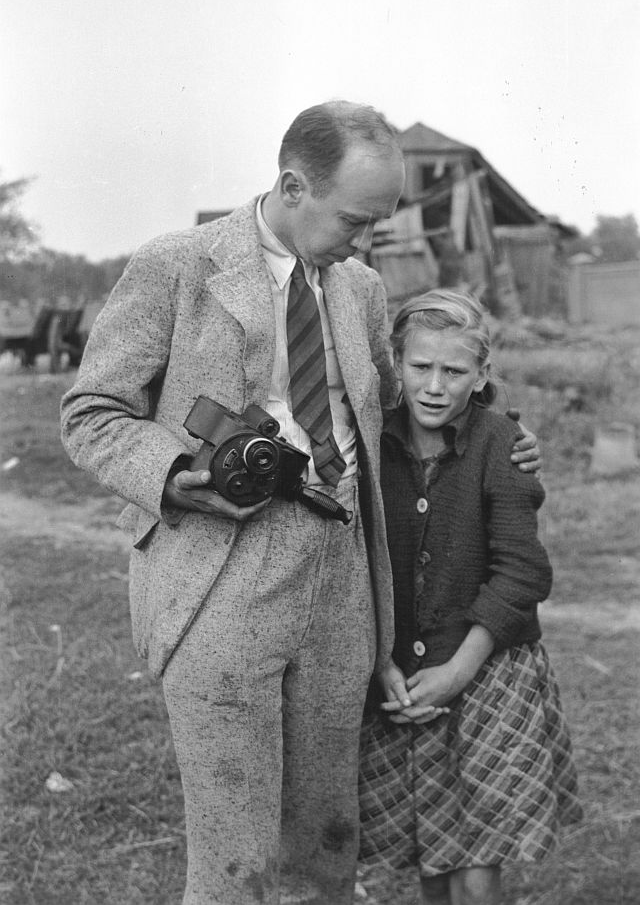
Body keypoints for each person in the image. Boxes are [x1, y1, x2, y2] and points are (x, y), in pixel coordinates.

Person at [60, 102, 539, 905]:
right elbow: (91, 412)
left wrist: (501, 435)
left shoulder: (360, 287)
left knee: (327, 839)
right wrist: (178, 471)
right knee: (234, 853)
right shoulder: (177, 266)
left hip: (343, 585)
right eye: (356, 218)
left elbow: (395, 415)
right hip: (222, 579)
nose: (366, 239)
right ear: (292, 185)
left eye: (377, 224)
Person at [358, 289, 582, 905]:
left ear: (481, 375)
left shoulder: (500, 444)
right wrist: (384, 660)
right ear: (394, 365)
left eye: (454, 371)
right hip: (401, 672)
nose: (434, 386)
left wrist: (458, 669)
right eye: (419, 367)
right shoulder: (368, 447)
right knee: (426, 836)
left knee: (479, 851)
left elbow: (522, 573)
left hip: (487, 671)